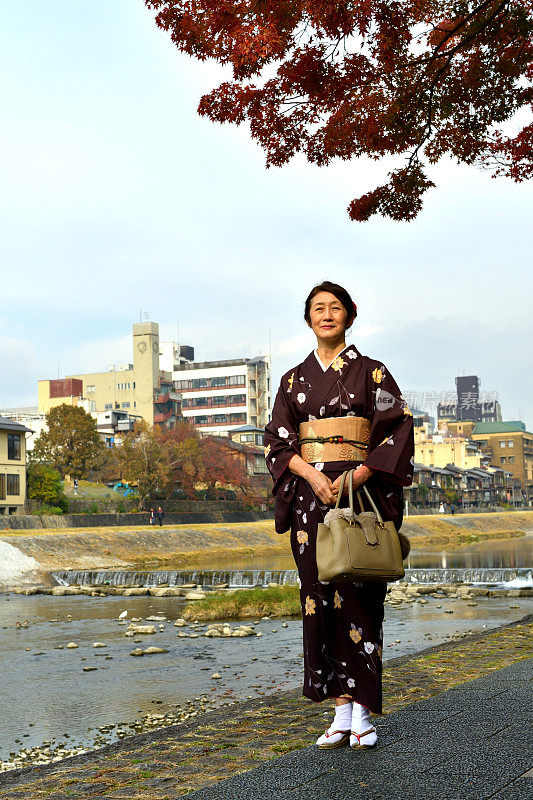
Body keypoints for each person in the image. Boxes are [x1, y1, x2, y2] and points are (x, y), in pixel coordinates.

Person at [264, 281, 414, 751]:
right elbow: (277, 442)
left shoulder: (373, 373)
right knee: (318, 597)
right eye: (317, 309)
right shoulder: (292, 380)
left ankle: (364, 710)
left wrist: (365, 471)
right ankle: (339, 711)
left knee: (361, 595)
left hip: (360, 494)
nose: (326, 315)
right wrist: (310, 475)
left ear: (349, 315)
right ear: (308, 319)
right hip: (312, 498)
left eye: (334, 308)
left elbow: (397, 428)